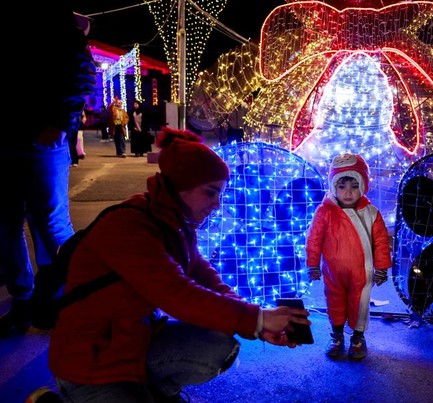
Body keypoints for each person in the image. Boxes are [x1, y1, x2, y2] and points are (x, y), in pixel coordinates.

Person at [31, 127, 311, 402]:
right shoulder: (128, 225)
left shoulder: (176, 222)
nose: (217, 204)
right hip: (91, 361)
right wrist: (256, 318)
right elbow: (175, 292)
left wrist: (260, 322)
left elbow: (203, 276)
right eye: (210, 192)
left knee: (218, 342)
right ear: (182, 187)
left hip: (135, 342)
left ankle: (158, 391)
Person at [0, 3, 95, 337]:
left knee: (50, 222)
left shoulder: (53, 18)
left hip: (43, 135)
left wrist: (59, 122)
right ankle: (24, 301)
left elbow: (81, 70)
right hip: (8, 136)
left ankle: (64, 295)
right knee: (6, 225)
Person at [305, 153, 392, 360]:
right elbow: (314, 239)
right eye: (342, 186)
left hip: (361, 271)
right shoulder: (324, 212)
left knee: (359, 304)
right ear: (333, 187)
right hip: (333, 272)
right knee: (334, 302)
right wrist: (313, 264)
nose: (348, 192)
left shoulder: (371, 213)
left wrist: (381, 268)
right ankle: (336, 335)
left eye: (354, 186)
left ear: (363, 186)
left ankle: (358, 337)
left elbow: (380, 242)